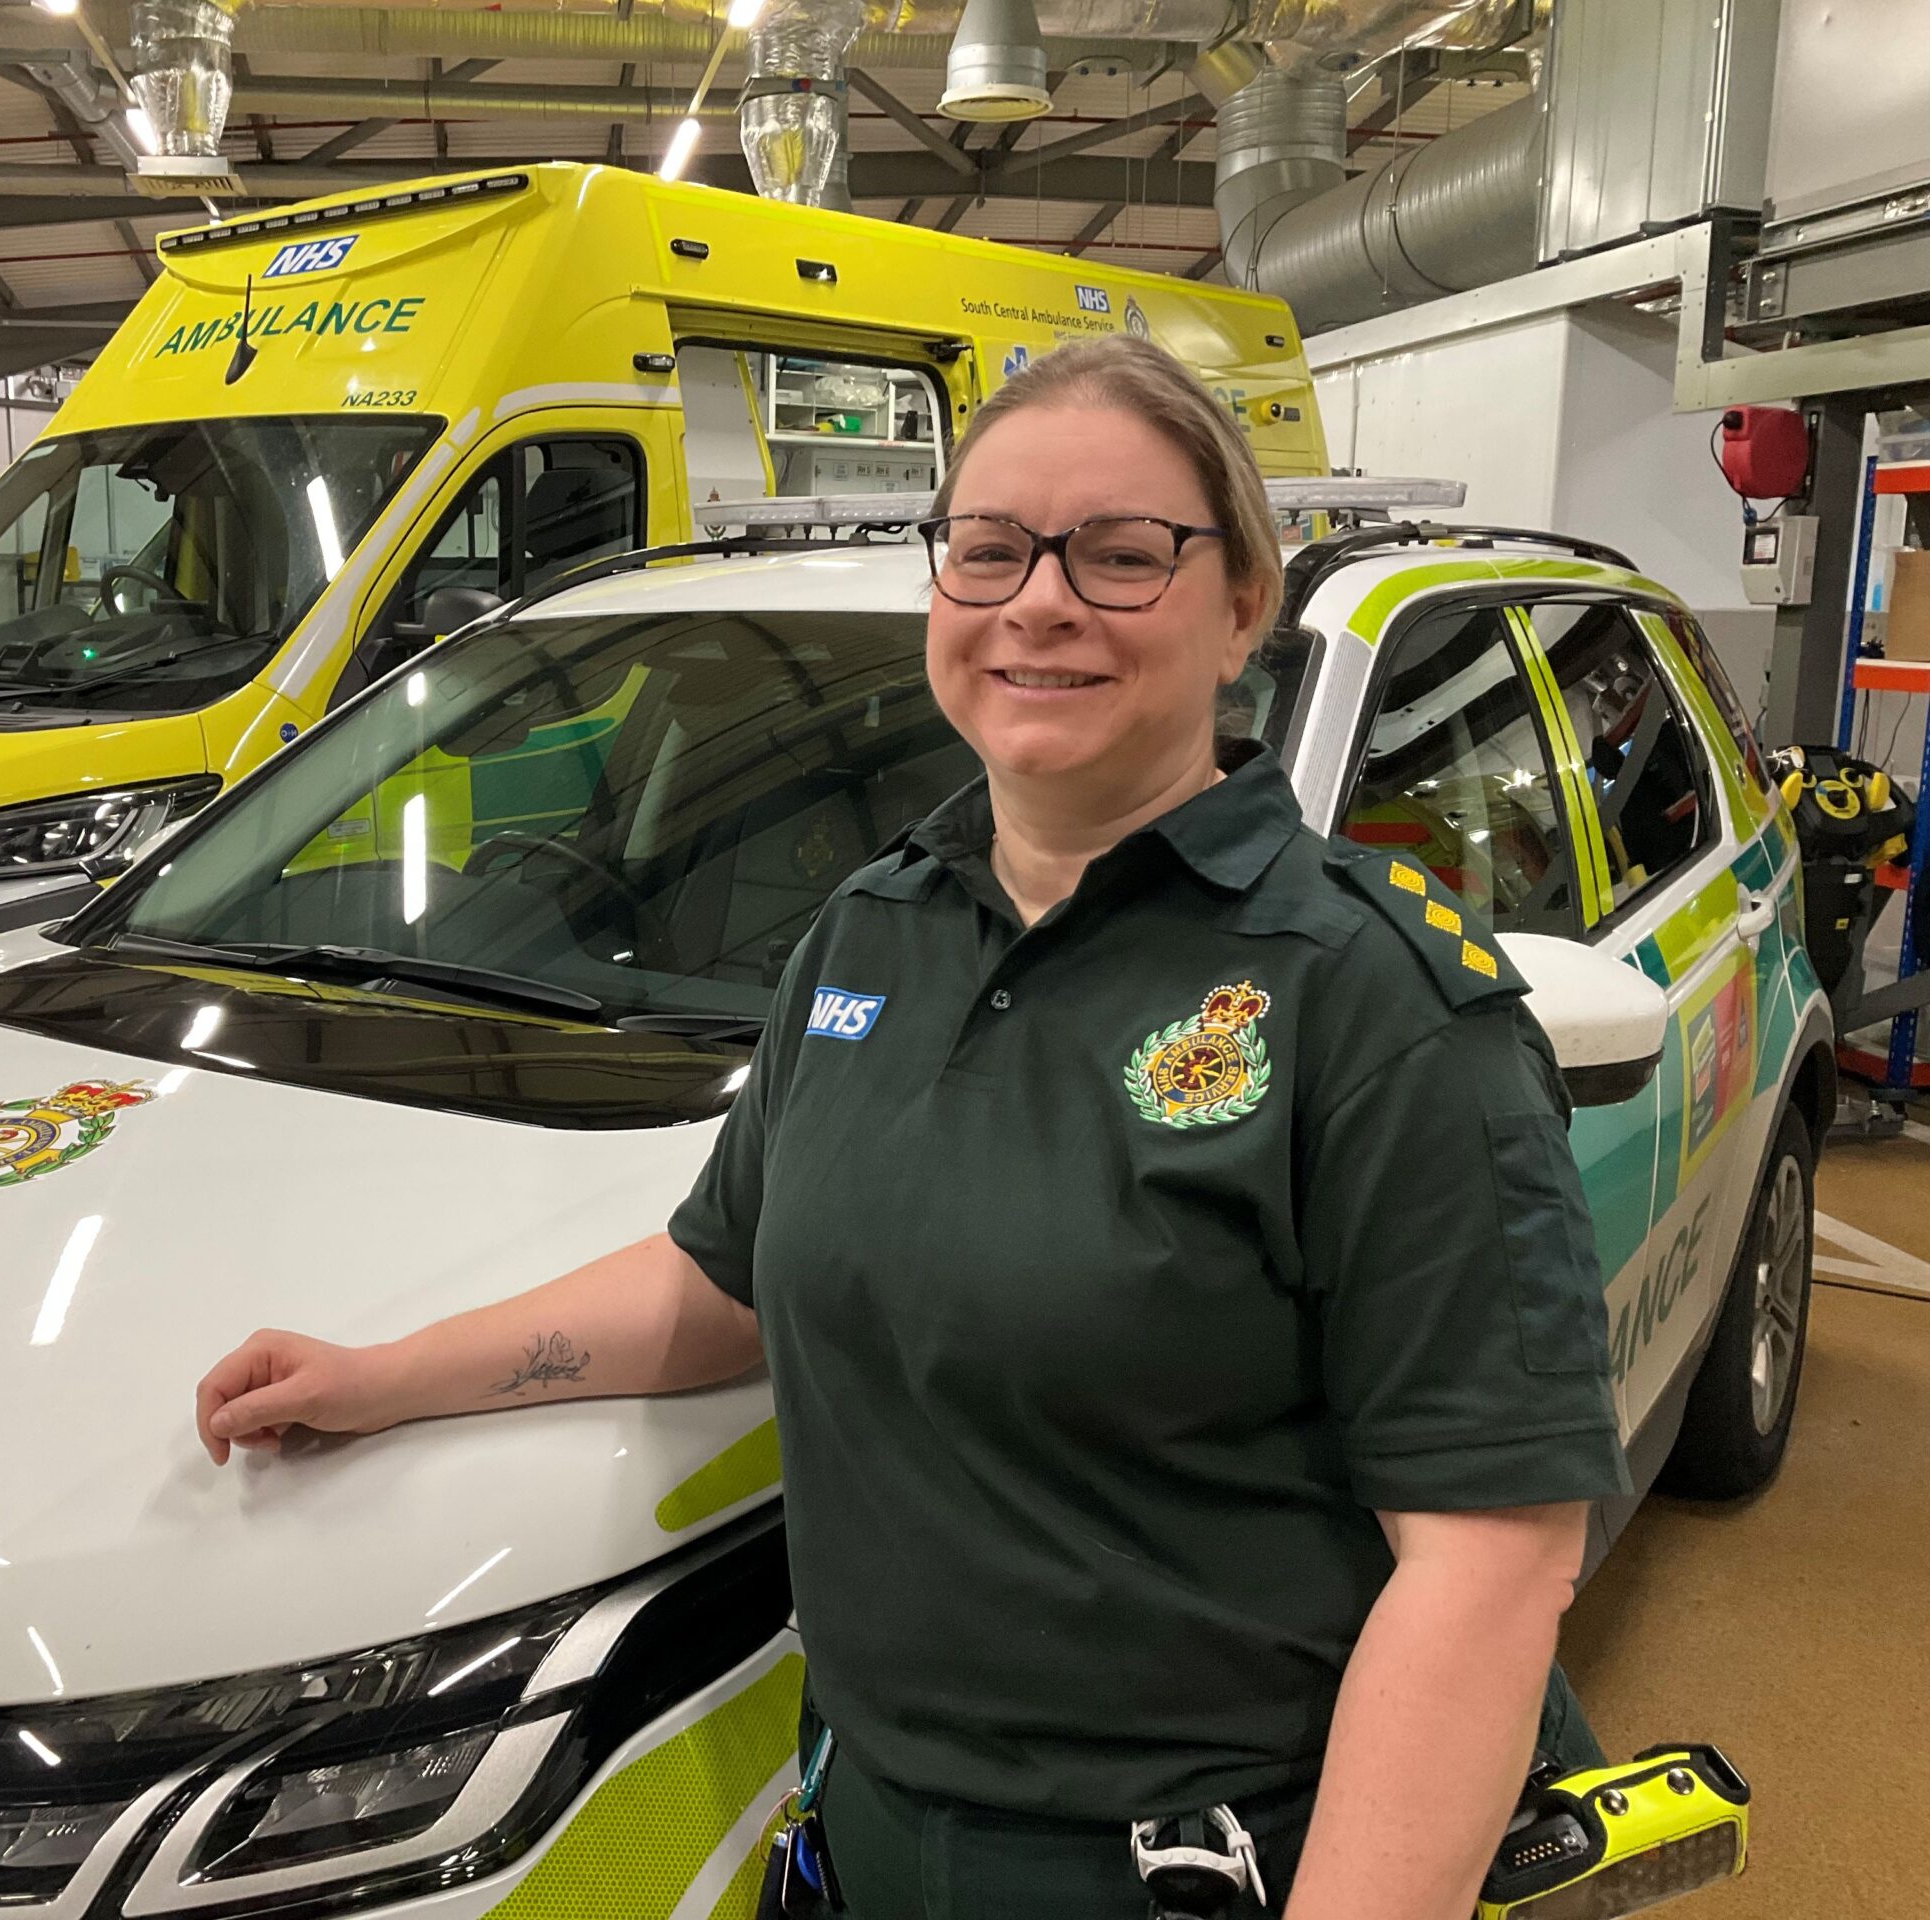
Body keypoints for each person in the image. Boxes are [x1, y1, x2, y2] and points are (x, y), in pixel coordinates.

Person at [194, 335, 1630, 1919]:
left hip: (1198, 1874)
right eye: (992, 548)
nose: (1040, 601)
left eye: (1124, 553)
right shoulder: (870, 936)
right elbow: (722, 1284)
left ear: (1242, 608)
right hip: (867, 1834)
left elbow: (1490, 1566)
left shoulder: (1374, 1002)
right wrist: (385, 1376)